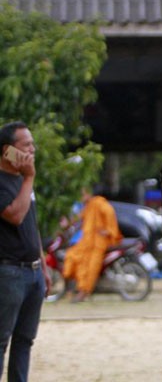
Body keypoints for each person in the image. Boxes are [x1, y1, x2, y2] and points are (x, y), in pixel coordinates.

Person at [0, 121, 51, 382]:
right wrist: (29, 177)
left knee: (25, 341)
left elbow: (32, 224)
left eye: (33, 144)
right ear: (8, 150)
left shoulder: (21, 181)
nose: (33, 149)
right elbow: (15, 216)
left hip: (32, 272)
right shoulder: (6, 181)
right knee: (2, 340)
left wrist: (42, 264)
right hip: (8, 273)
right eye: (26, 145)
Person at [62, 186, 123, 302]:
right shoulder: (88, 207)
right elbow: (78, 219)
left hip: (98, 243)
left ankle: (84, 291)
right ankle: (73, 289)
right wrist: (67, 224)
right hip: (86, 242)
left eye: (83, 194)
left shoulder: (100, 203)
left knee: (91, 266)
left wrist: (108, 231)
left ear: (89, 194)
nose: (81, 197)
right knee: (71, 256)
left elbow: (111, 217)